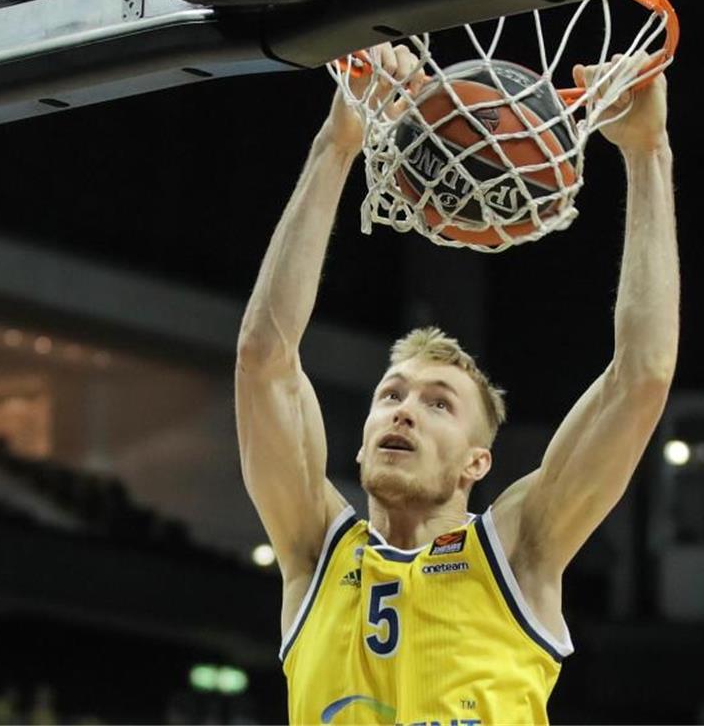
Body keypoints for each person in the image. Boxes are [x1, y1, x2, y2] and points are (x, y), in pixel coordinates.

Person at [235, 43, 678, 725]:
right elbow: (265, 357)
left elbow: (641, 377)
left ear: (479, 462)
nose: (403, 412)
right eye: (392, 395)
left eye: (438, 403)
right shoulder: (312, 547)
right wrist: (340, 138)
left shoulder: (519, 549)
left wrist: (648, 154)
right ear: (359, 444)